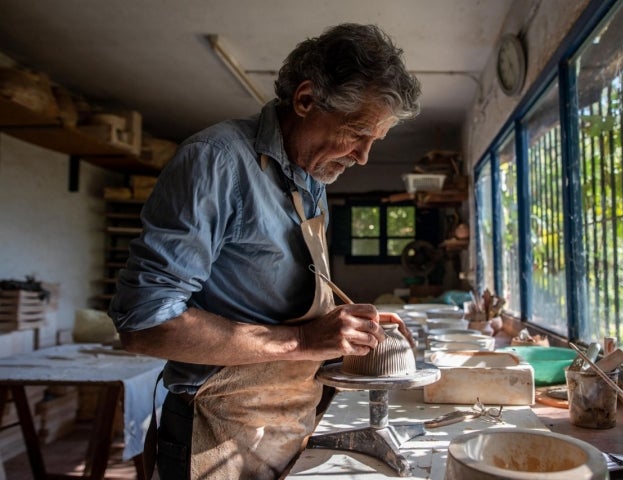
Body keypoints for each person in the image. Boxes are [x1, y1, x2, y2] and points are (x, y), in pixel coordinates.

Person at [108, 23, 421, 480]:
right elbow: (144, 324)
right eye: (357, 133)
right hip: (218, 429)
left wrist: (341, 331)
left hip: (286, 420)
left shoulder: (312, 177)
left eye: (375, 141)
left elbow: (265, 295)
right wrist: (304, 341)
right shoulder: (215, 161)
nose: (363, 157)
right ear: (306, 100)